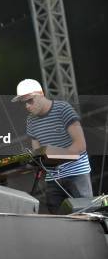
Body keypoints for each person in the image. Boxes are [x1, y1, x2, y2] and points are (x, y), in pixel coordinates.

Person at [12, 78, 92, 213]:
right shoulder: (30, 120)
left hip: (77, 174)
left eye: (29, 100)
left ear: (41, 94)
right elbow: (38, 151)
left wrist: (54, 158)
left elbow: (81, 145)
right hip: (53, 178)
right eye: (23, 103)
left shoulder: (63, 109)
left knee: (86, 215)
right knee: (57, 219)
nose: (26, 106)